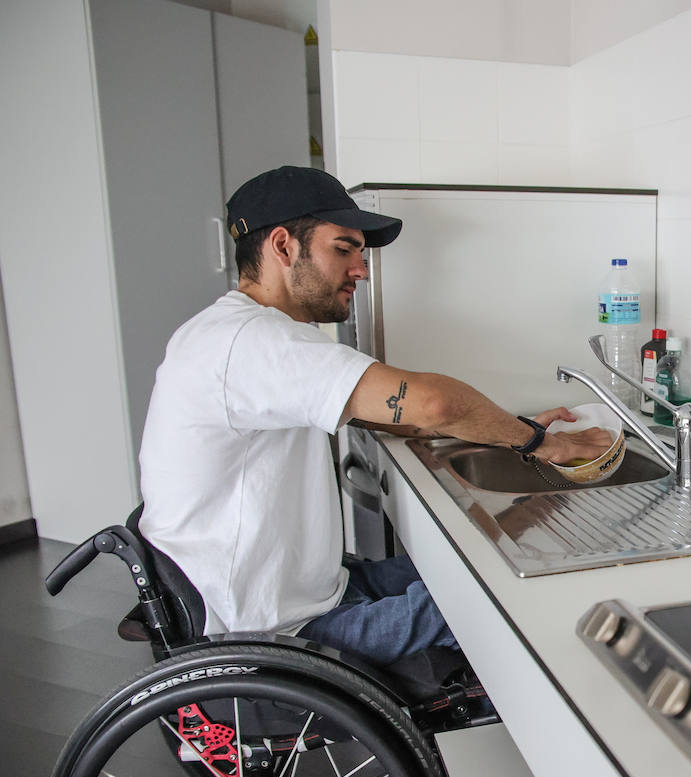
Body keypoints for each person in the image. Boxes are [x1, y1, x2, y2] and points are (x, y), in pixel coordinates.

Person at [138, 166, 611, 667]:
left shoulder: (230, 333)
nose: (361, 270)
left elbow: (398, 414)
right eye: (343, 249)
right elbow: (434, 404)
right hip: (276, 633)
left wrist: (507, 429)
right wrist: (540, 443)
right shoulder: (254, 342)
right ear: (283, 247)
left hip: (299, 590)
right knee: (506, 595)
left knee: (469, 561)